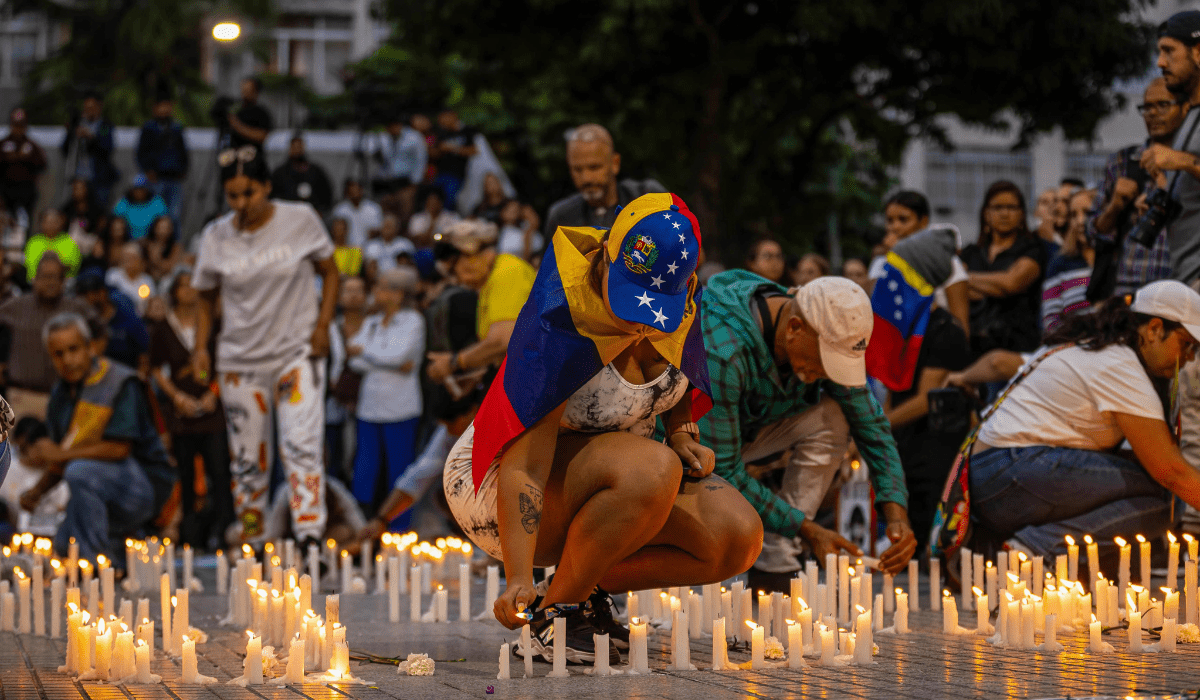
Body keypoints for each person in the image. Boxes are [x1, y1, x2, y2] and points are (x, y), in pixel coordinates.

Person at [444, 193, 760, 664]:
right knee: (653, 469)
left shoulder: (682, 300)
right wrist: (518, 579)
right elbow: (525, 464)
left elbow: (677, 372)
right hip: (501, 482)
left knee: (734, 536)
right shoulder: (562, 316)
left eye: (655, 300)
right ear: (609, 251)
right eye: (631, 291)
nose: (641, 314)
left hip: (617, 475)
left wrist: (681, 433)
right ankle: (555, 616)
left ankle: (578, 584)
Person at [698, 270, 915, 591]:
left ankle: (775, 562)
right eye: (825, 362)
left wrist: (896, 511)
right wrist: (807, 529)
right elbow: (723, 470)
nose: (826, 374)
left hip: (749, 433)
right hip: (693, 450)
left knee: (835, 417)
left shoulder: (821, 330)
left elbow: (871, 423)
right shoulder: (723, 352)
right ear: (795, 328)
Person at [964, 283, 1200, 564]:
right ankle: (1028, 554)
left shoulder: (1095, 346)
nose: (1190, 357)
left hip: (993, 477)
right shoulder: (1118, 364)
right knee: (1166, 496)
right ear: (1154, 329)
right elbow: (1170, 471)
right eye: (1187, 344)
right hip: (1009, 470)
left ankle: (1017, 550)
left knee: (1156, 497)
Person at [191, 145, 340, 546]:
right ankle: (253, 539)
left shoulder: (300, 219)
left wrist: (323, 325)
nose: (241, 204)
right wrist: (201, 347)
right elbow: (204, 295)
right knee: (247, 459)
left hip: (296, 351)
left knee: (301, 443)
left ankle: (309, 534)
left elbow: (330, 271)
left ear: (267, 187)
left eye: (249, 193)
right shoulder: (216, 235)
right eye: (233, 196)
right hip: (240, 360)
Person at [19, 312, 174, 562]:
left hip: (142, 484)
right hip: (93, 483)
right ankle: (116, 552)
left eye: (74, 349)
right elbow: (63, 456)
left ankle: (95, 563)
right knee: (64, 545)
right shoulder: (60, 394)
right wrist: (37, 492)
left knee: (80, 472)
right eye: (58, 354)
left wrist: (60, 455)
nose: (68, 360)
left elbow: (119, 449)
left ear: (89, 347)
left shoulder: (119, 381)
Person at [867, 228, 971, 553]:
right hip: (905, 451)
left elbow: (928, 398)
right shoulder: (905, 328)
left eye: (895, 272)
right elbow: (891, 384)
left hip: (934, 457)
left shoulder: (946, 331)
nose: (887, 279)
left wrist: (876, 428)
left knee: (926, 552)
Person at [148, 269, 231, 550]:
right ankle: (190, 536)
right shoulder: (164, 327)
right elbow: (156, 368)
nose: (188, 291)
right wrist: (176, 397)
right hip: (181, 413)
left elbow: (225, 362)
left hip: (212, 408)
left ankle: (223, 532)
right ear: (174, 291)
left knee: (219, 473)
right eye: (183, 286)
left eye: (192, 286)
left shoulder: (213, 324)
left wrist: (214, 393)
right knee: (185, 476)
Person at [1085, 81, 1179, 302]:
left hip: (1180, 291)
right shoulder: (1124, 161)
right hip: (1126, 290)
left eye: (1163, 105)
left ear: (1185, 108)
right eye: (1147, 107)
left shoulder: (1192, 164)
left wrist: (1165, 191)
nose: (1153, 113)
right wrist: (1115, 206)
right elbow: (1092, 233)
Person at [347, 268, 425, 525]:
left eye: (381, 287)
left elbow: (399, 355)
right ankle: (361, 523)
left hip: (400, 408)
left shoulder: (413, 321)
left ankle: (400, 528)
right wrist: (389, 361)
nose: (375, 291)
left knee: (399, 471)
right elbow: (354, 360)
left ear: (398, 294)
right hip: (369, 407)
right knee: (364, 468)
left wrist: (365, 351)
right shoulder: (371, 321)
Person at [424, 220, 535, 386]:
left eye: (454, 269)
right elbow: (503, 352)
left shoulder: (507, 272)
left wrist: (455, 362)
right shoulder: (489, 283)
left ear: (472, 253)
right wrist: (480, 376)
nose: (456, 279)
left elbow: (502, 341)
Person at [0, 256, 92, 419]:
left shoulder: (77, 308)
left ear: (63, 281)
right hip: (22, 397)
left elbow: (101, 330)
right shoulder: (16, 306)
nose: (51, 282)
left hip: (66, 398)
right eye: (46, 277)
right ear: (35, 279)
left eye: (57, 277)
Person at [961, 181, 1045, 358]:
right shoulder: (970, 253)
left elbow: (1011, 283)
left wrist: (965, 278)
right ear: (986, 213)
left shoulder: (1033, 250)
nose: (1005, 213)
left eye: (1011, 207)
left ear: (1022, 214)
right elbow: (956, 290)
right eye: (998, 207)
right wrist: (996, 285)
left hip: (1016, 347)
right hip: (972, 346)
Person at [872, 190, 971, 333]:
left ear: (923, 222)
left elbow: (962, 327)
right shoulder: (881, 262)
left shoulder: (946, 262)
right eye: (890, 221)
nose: (895, 227)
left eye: (903, 219)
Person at [542, 124, 666, 237]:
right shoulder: (561, 218)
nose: (586, 178)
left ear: (615, 163)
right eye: (577, 169)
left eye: (594, 167)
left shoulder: (648, 197)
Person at [326, 276, 368, 483]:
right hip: (334, 397)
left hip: (369, 396)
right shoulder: (330, 327)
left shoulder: (375, 325)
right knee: (333, 450)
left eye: (358, 290)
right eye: (348, 291)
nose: (353, 296)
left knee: (362, 452)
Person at [1041, 190, 1097, 334]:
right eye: (1073, 215)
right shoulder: (1060, 263)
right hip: (1072, 342)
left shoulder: (1117, 259)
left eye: (1087, 213)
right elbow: (1050, 319)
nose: (1080, 221)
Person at [75, 272, 150, 373]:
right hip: (96, 376)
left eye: (91, 294)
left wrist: (140, 376)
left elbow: (144, 353)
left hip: (128, 374)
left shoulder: (127, 316)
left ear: (103, 292)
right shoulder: (83, 321)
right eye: (83, 295)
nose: (87, 299)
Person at [135, 97, 190, 224]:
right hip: (155, 178)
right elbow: (141, 152)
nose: (164, 109)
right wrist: (147, 170)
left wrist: (183, 169)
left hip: (174, 178)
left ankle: (174, 237)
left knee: (174, 215)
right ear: (155, 108)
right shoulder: (148, 128)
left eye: (167, 106)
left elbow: (183, 151)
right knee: (154, 215)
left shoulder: (176, 127)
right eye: (161, 106)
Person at [61, 93, 119, 208]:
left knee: (99, 209)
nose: (89, 111)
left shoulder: (105, 126)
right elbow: (65, 150)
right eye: (86, 108)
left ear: (99, 107)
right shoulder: (77, 124)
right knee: (78, 209)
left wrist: (91, 138)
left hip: (99, 179)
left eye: (92, 108)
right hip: (78, 178)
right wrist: (70, 133)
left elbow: (107, 149)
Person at [373, 116, 427, 221]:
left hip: (406, 180)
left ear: (400, 125)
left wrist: (415, 183)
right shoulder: (382, 138)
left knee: (405, 209)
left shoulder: (414, 137)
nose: (393, 130)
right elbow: (381, 160)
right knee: (387, 209)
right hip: (388, 179)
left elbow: (421, 160)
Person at [0, 108, 46, 220]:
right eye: (15, 124)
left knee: (25, 221)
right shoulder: (3, 144)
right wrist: (9, 158)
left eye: (21, 124)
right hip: (5, 191)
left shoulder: (31, 145)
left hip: (26, 191)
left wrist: (26, 158)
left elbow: (42, 165)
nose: (18, 128)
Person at [271, 134, 333, 215]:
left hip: (311, 214)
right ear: (290, 149)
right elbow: (273, 196)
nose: (297, 150)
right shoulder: (280, 173)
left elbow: (326, 194)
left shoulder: (316, 171)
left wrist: (320, 211)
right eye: (294, 147)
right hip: (288, 214)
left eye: (299, 147)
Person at [431, 110, 477, 210]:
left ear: (453, 116)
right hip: (441, 173)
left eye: (444, 118)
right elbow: (436, 152)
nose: (442, 122)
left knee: (450, 200)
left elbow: (474, 151)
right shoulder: (442, 133)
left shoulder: (467, 131)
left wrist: (452, 148)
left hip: (459, 174)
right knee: (435, 198)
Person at [24, 209, 81, 283]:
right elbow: (29, 265)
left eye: (54, 222)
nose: (50, 225)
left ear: (61, 222)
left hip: (63, 283)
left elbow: (72, 266)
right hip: (35, 283)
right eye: (47, 222)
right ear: (41, 223)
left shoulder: (70, 242)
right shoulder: (33, 242)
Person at [112, 175, 169, 241]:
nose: (139, 192)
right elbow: (114, 220)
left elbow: (165, 220)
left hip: (152, 240)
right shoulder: (124, 202)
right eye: (136, 189)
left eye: (141, 189)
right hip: (127, 240)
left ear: (147, 189)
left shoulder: (157, 202)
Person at [105, 242, 155, 315]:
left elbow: (150, 304)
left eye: (132, 258)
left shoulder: (147, 280)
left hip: (140, 317)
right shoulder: (113, 275)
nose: (128, 261)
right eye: (125, 257)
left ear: (140, 260)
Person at [331, 178, 383, 249]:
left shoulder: (374, 208)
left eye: (356, 190)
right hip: (346, 247)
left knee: (374, 249)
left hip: (368, 247)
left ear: (362, 190)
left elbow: (380, 230)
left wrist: (375, 233)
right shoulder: (340, 210)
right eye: (351, 190)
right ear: (347, 192)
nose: (354, 193)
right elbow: (335, 234)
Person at [363, 214, 415, 282]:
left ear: (397, 228)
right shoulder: (372, 245)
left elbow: (407, 266)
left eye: (390, 226)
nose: (387, 229)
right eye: (386, 226)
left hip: (399, 278)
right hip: (378, 279)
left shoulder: (405, 244)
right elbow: (370, 268)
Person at [226, 77, 273, 150]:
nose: (244, 94)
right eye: (243, 90)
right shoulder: (237, 110)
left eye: (248, 90)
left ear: (256, 92)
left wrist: (237, 125)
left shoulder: (261, 113)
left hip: (252, 154)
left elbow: (262, 136)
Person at [143, 215, 181, 283]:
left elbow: (171, 268)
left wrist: (156, 259)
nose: (163, 231)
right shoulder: (145, 243)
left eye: (166, 228)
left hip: (165, 280)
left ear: (171, 230)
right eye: (160, 227)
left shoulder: (176, 247)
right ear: (154, 227)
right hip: (144, 278)